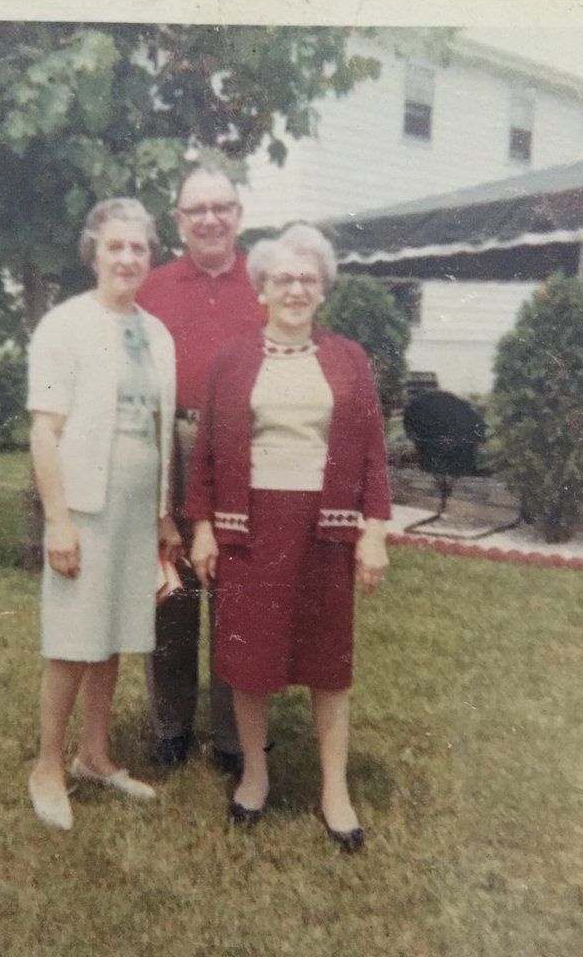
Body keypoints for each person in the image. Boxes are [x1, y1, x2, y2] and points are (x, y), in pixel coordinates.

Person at [185, 224, 391, 851]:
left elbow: (374, 456)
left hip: (325, 527)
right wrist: (202, 528)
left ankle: (335, 789)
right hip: (249, 528)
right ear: (262, 289)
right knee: (251, 659)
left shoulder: (349, 359)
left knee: (329, 660)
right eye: (283, 278)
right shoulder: (231, 361)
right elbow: (207, 458)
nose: (295, 289)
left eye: (307, 279)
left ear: (322, 290)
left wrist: (374, 531)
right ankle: (255, 773)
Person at [26, 197, 181, 831]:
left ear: (150, 257)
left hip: (134, 509)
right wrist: (57, 520)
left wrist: (163, 515)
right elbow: (44, 432)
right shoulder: (64, 326)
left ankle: (94, 755)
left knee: (114, 633)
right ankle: (47, 767)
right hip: (84, 508)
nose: (126, 257)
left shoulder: (157, 333)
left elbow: (157, 429)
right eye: (114, 246)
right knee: (71, 641)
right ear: (94, 252)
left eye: (138, 247)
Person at [137, 166, 263, 775]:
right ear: (178, 221)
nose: (209, 219)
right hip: (170, 440)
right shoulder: (152, 287)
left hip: (245, 444)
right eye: (196, 210)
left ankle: (236, 735)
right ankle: (170, 724)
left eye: (221, 207)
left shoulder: (267, 284)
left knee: (236, 587)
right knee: (172, 585)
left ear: (239, 214)